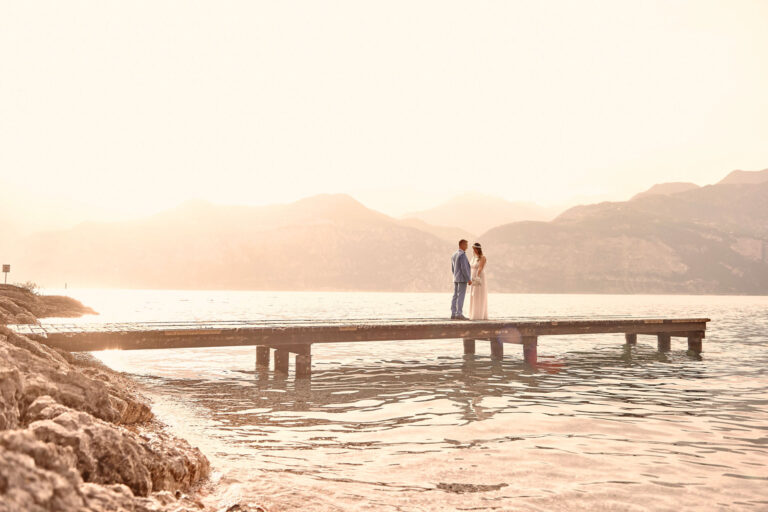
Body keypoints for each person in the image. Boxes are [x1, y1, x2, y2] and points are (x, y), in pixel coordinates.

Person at [451, 239, 472, 320]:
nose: (467, 246)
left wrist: (455, 275)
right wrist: (468, 279)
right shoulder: (462, 255)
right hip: (462, 278)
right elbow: (464, 268)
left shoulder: (454, 254)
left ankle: (453, 314)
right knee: (461, 296)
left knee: (455, 295)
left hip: (455, 278)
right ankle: (459, 313)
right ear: (462, 245)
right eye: (466, 244)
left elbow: (452, 268)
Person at [469, 242, 488, 320]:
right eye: (473, 249)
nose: (474, 251)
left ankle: (479, 315)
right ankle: (472, 314)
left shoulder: (483, 257)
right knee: (473, 295)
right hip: (472, 277)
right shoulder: (473, 258)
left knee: (478, 294)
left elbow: (480, 268)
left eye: (475, 249)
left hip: (479, 277)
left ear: (478, 249)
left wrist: (477, 277)